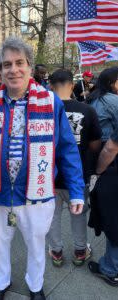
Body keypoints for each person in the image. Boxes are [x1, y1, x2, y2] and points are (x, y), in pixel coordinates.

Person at [0, 37, 85, 300]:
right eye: (6, 64)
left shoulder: (51, 103)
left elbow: (66, 149)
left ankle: (35, 286)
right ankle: (1, 282)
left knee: (36, 245)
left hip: (37, 194)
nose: (13, 69)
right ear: (0, 71)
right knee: (0, 243)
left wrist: (76, 190)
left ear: (29, 66)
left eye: (19, 63)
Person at [47, 69, 102, 267]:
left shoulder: (44, 112)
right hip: (77, 175)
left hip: (49, 176)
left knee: (51, 216)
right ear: (72, 84)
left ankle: (56, 251)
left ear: (51, 86)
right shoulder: (87, 110)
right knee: (78, 213)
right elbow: (96, 145)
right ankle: (80, 250)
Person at [86, 67, 118, 286]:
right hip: (110, 162)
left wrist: (97, 171)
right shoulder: (111, 102)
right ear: (113, 82)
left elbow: (110, 148)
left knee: (113, 218)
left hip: (107, 163)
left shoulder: (94, 101)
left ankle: (111, 268)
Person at [87, 67, 118, 143]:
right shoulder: (112, 99)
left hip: (94, 142)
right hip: (108, 144)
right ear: (111, 83)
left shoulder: (94, 96)